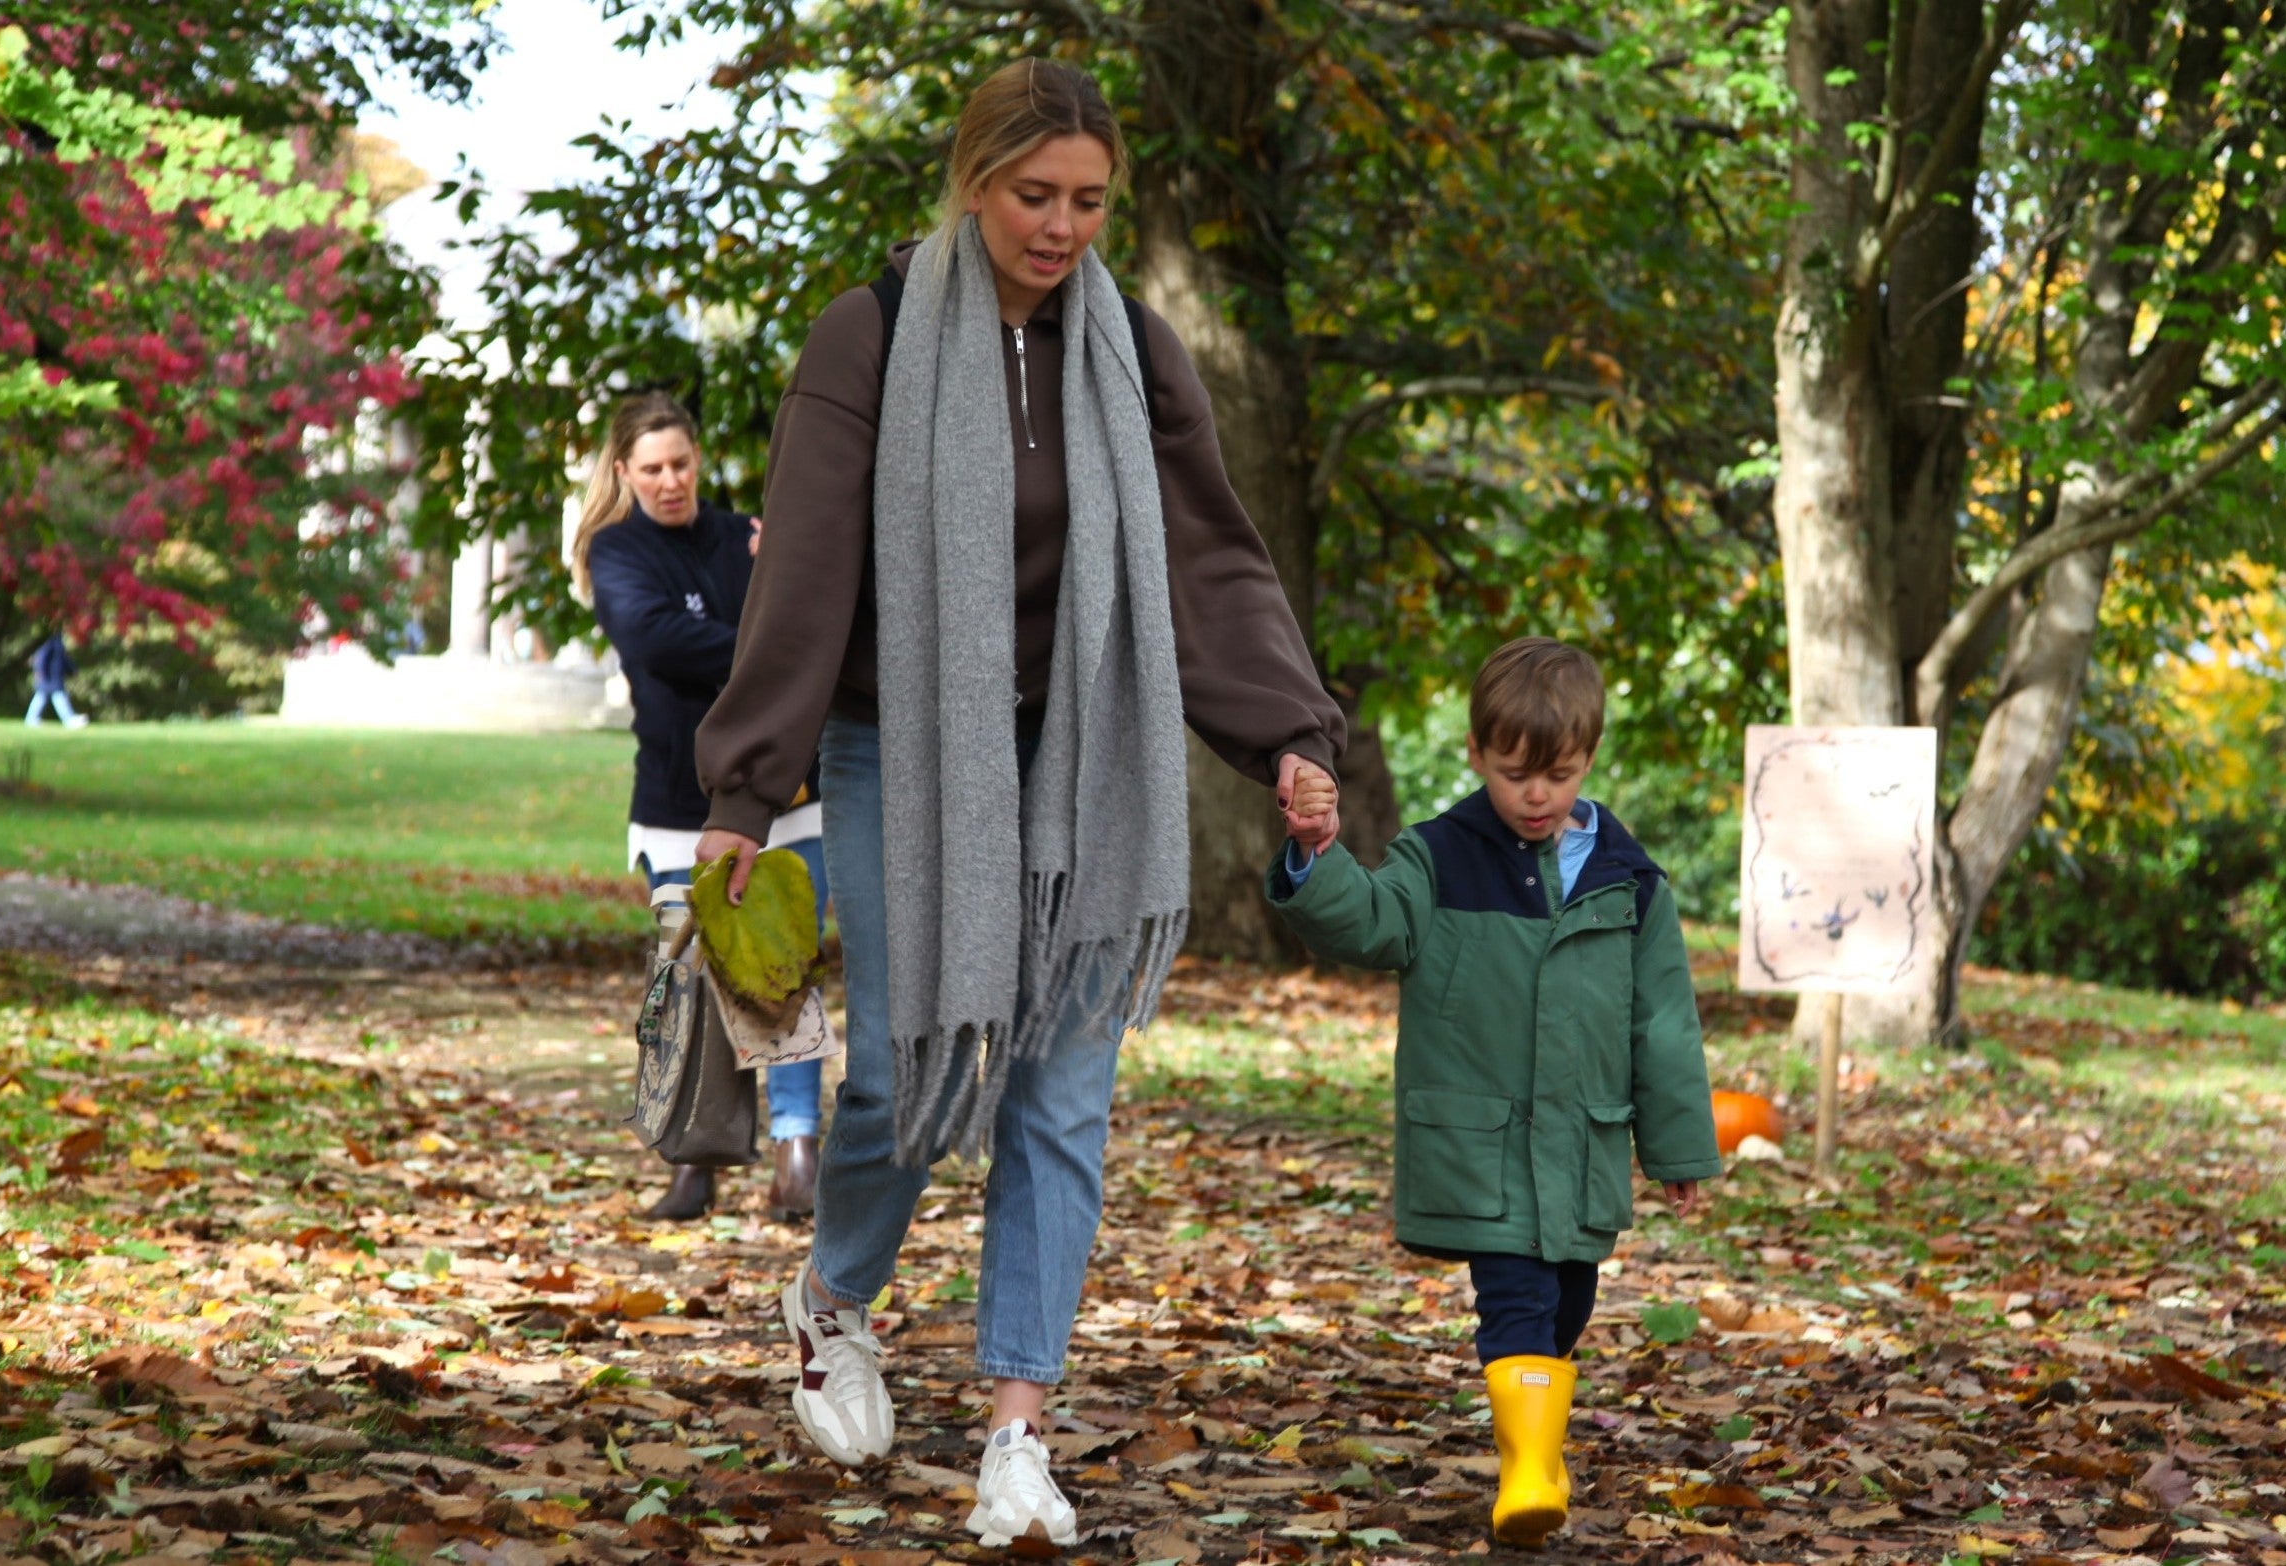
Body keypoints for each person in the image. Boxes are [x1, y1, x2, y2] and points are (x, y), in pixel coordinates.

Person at [690, 58, 1344, 1549]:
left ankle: (1014, 1434)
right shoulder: (869, 335)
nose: (1061, 229)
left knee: (1060, 1092)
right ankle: (833, 1297)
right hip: (894, 750)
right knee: (907, 1077)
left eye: (1089, 202)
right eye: (1034, 196)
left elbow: (1210, 553)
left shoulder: (1132, 350)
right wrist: (743, 782)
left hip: (1088, 755)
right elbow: (801, 574)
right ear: (974, 181)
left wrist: (1289, 734)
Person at [1264, 637, 1721, 1548]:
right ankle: (1524, 1474)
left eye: (1558, 774)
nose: (1537, 794)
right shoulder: (1440, 858)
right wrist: (1318, 857)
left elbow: (1662, 1023)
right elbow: (1372, 923)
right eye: (1516, 774)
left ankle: (1539, 1445)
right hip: (1484, 1146)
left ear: (1588, 758)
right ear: (1476, 753)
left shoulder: (1627, 881)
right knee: (1514, 1299)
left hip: (1583, 1144)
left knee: (1569, 1306)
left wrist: (1676, 1148)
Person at [575, 391, 829, 1224]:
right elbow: (655, 641)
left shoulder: (742, 537)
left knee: (779, 980)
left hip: (783, 796)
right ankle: (694, 1162)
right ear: (624, 473)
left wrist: (764, 624)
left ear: (698, 459)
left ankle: (798, 1152)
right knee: (684, 988)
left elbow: (810, 621)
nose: (671, 481)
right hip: (677, 805)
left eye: (681, 463)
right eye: (651, 469)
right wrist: (763, 639)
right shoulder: (616, 552)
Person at [26, 633, 87, 728]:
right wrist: (41, 672)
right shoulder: (53, 645)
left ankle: (31, 719)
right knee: (58, 697)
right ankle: (69, 720)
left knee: (41, 698)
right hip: (49, 679)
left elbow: (64, 662)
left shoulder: (58, 648)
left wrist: (72, 670)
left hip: (50, 679)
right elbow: (42, 659)